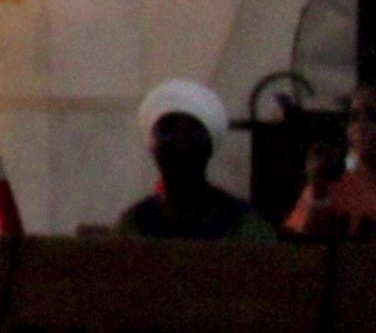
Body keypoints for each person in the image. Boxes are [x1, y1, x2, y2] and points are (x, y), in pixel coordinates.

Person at [113, 79, 273, 239]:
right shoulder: (133, 225)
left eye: (192, 133)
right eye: (168, 131)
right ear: (153, 148)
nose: (179, 144)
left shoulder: (245, 225)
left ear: (209, 148)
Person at [283, 54, 376, 239]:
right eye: (354, 118)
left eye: (374, 117)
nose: (361, 127)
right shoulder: (331, 187)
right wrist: (317, 185)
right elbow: (298, 246)